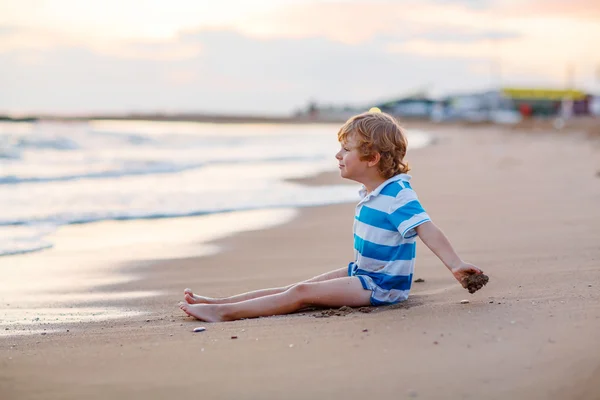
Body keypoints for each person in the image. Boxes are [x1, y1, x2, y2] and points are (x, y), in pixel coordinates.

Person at [179, 111, 485, 322]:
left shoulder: (397, 194)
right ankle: (220, 303)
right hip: (363, 272)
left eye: (345, 149)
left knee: (302, 293)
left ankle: (223, 315)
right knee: (297, 287)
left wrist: (456, 265)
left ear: (373, 158)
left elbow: (427, 229)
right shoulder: (376, 190)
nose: (338, 155)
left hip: (381, 287)